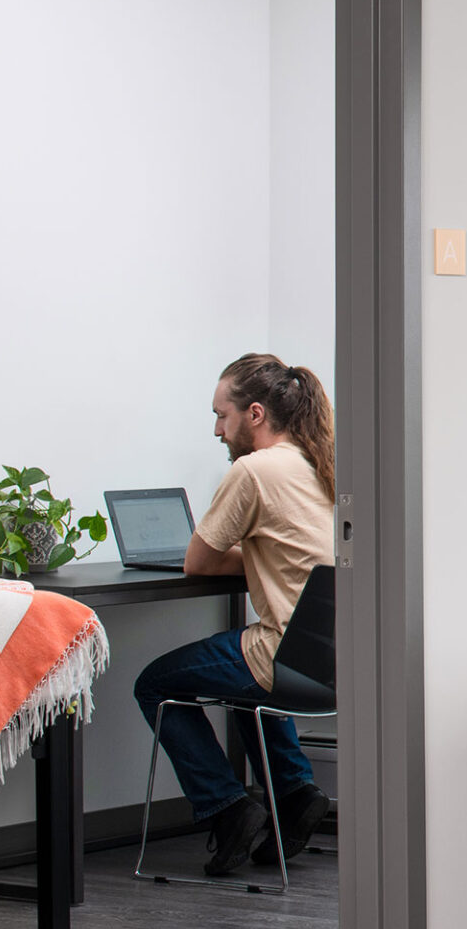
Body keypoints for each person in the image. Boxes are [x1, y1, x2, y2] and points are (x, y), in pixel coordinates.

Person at [133, 354, 337, 876]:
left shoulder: (255, 470)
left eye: (221, 416)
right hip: (333, 660)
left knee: (154, 685)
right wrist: (264, 553)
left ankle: (228, 808)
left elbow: (197, 562)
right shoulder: (323, 461)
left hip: (281, 655)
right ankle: (293, 792)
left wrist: (252, 554)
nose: (217, 431)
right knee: (239, 683)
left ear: (254, 414)